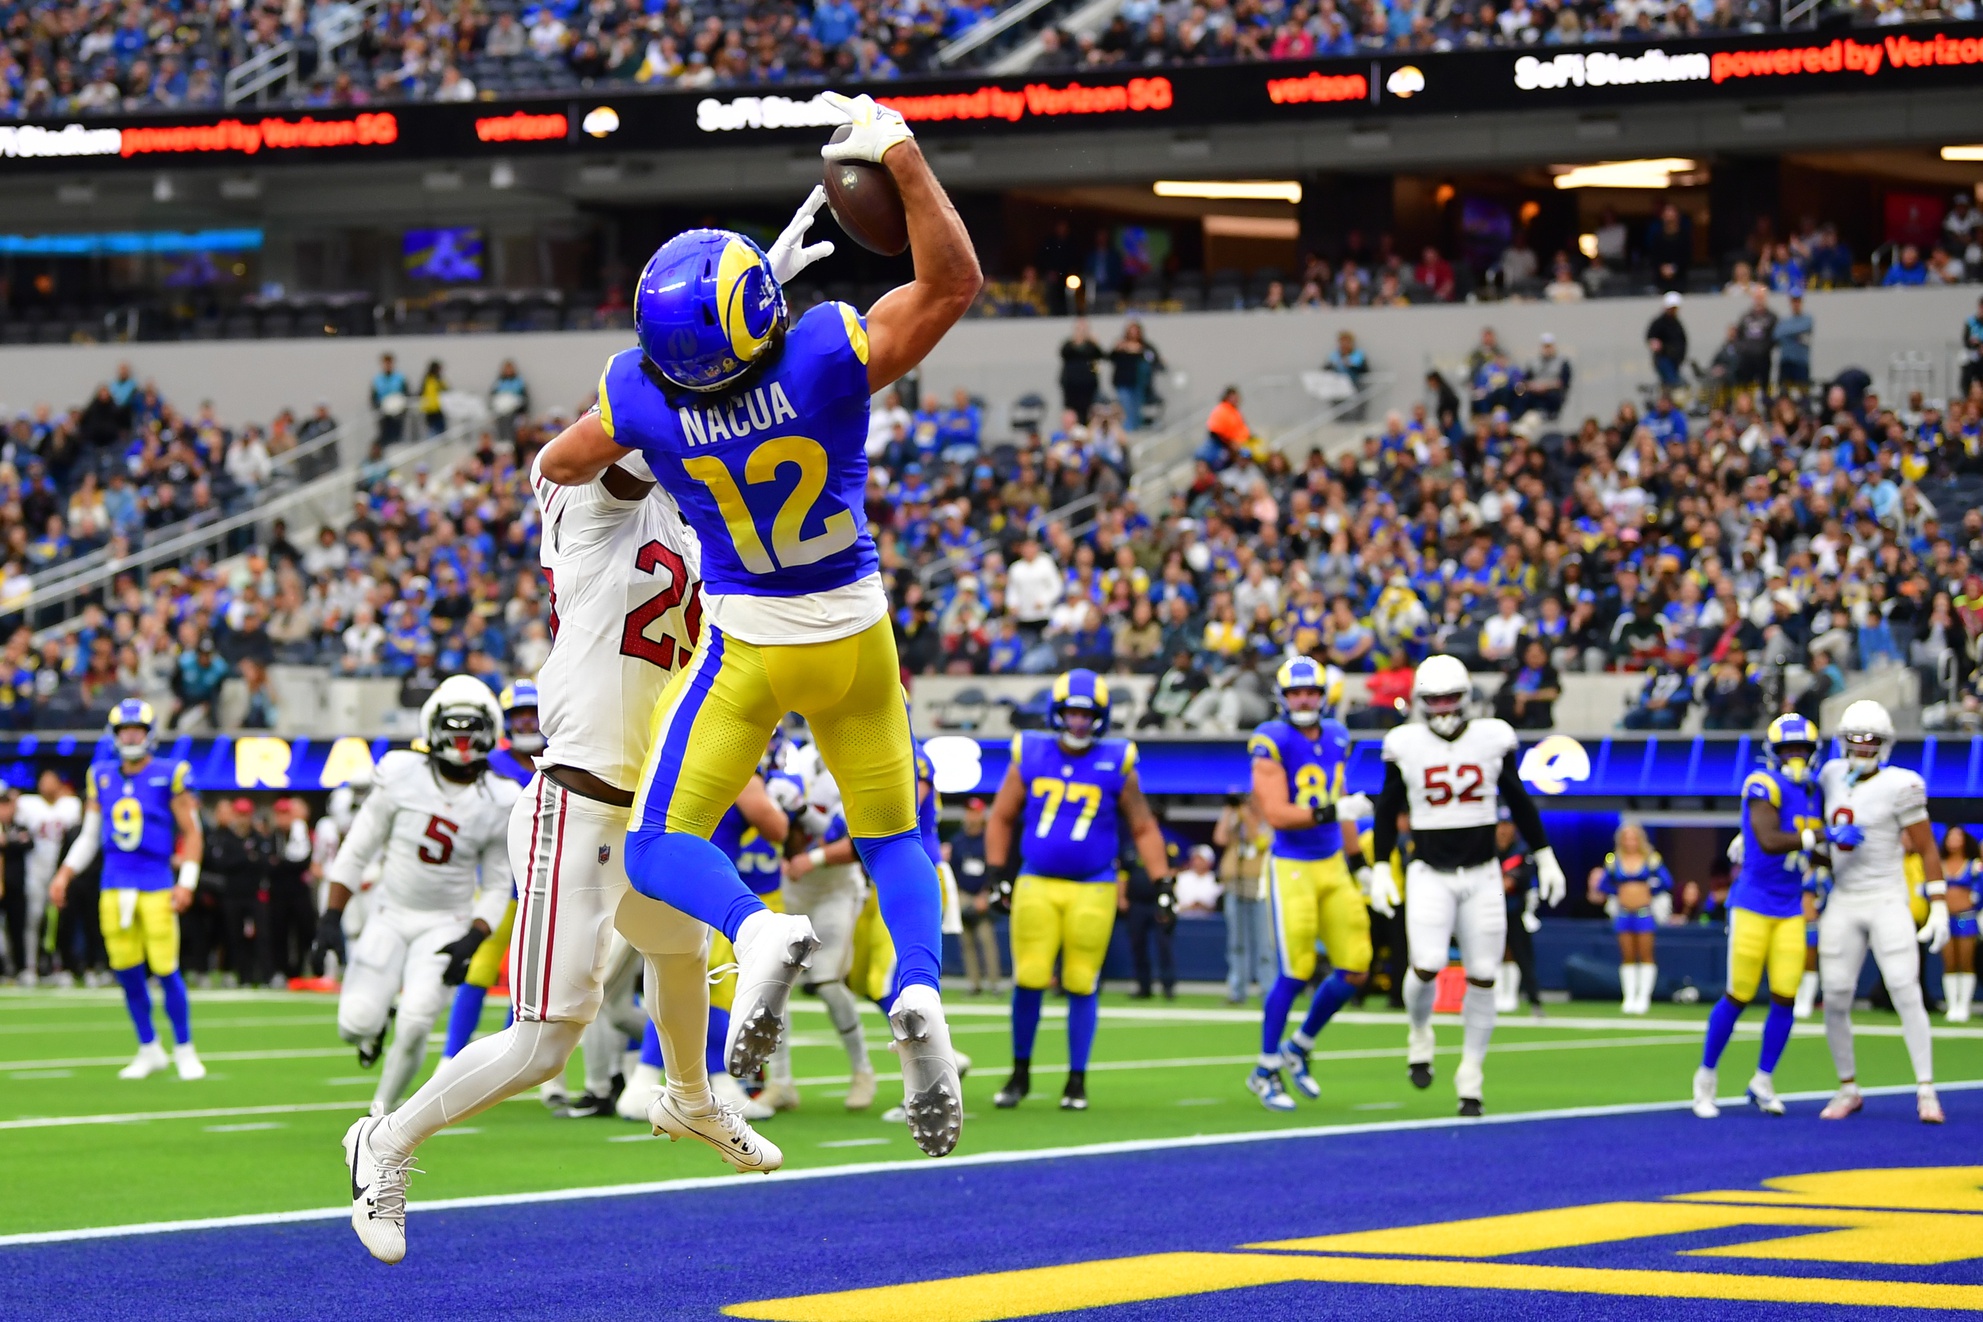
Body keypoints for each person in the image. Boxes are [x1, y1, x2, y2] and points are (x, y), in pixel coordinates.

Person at [532, 95, 971, 1162]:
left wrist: (670, 418)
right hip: (855, 629)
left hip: (748, 643)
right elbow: (950, 282)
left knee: (661, 843)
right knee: (893, 838)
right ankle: (917, 987)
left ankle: (755, 926)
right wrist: (901, 156)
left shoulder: (642, 394)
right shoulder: (822, 351)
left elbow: (565, 460)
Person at [340, 424, 775, 1266]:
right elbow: (625, 447)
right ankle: (384, 1142)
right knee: (546, 1040)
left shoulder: (695, 529)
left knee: (678, 953)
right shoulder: (593, 509)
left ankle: (689, 1096)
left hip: (655, 805)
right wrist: (714, 380)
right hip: (575, 800)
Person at [320, 678, 519, 1131]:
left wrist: (474, 936)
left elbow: (496, 882)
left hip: (446, 922)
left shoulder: (499, 797)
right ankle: (375, 1025)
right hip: (389, 913)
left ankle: (381, 1117)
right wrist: (331, 915)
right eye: (455, 731)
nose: (464, 743)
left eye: (473, 732)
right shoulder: (400, 773)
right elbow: (357, 849)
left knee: (416, 1022)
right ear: (434, 728)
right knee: (354, 1024)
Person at [1372, 654, 1567, 1115]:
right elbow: (1387, 807)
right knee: (1427, 962)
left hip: (1483, 873)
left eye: (1449, 698)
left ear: (1466, 698)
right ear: (1420, 702)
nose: (1441, 708)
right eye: (1433, 700)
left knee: (1484, 973)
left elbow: (1518, 800)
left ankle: (1471, 1072)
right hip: (1429, 873)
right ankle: (1420, 1031)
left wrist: (1545, 854)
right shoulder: (1405, 743)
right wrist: (1379, 864)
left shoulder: (1492, 737)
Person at [985, 670, 1172, 1111]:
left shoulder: (1118, 761)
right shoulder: (1029, 752)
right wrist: (997, 873)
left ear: (1101, 717)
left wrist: (1163, 880)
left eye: (1087, 714)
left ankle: (1076, 1079)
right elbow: (1001, 817)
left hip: (1094, 884)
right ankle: (1020, 1073)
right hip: (1037, 879)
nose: (1079, 722)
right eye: (1072, 712)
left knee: (1081, 981)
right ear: (1057, 712)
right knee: (1029, 976)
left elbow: (1143, 825)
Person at [1814, 700, 1964, 1124]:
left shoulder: (1902, 783)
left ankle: (1926, 1088)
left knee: (1904, 987)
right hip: (1843, 896)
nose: (1862, 747)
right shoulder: (1828, 776)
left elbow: (1927, 845)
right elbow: (1798, 815)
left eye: (1870, 740)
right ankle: (1848, 1087)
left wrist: (1937, 903)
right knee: (1838, 994)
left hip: (1886, 895)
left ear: (1885, 743)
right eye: (1855, 739)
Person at [1244, 657, 1382, 1111]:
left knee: (1357, 966)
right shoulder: (1271, 739)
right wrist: (1332, 813)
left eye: (1311, 692)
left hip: (1332, 863)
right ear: (1282, 697)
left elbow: (1340, 799)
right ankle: (1265, 1069)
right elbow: (1277, 814)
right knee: (1295, 969)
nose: (1304, 700)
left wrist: (1360, 862)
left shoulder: (1339, 736)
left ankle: (1299, 1045)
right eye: (1296, 692)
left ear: (1324, 695)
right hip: (1293, 865)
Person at [47, 699, 206, 1080]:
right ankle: (148, 1046)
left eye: (136, 729)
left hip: (156, 883)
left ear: (149, 733)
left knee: (167, 970)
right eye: (124, 730)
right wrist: (64, 873)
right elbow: (89, 835)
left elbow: (193, 832)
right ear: (115, 735)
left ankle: (184, 1047)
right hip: (114, 884)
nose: (130, 736)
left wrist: (187, 883)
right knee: (127, 972)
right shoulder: (100, 774)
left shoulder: (172, 772)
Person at [1693, 715, 1822, 1119]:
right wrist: (1819, 837)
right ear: (1774, 753)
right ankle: (1706, 1077)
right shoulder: (1761, 783)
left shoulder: (1815, 792)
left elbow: (1812, 849)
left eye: (1802, 750)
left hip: (1790, 905)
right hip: (1753, 901)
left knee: (1786, 993)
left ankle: (1763, 1079)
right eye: (1788, 750)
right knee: (1739, 993)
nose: (1796, 757)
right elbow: (1767, 840)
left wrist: (1835, 850)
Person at [439, 679, 541, 1062]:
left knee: (532, 978)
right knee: (480, 968)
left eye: (533, 716)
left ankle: (504, 1058)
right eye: (520, 717)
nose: (528, 725)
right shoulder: (488, 765)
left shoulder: (561, 759)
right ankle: (450, 1056)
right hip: (502, 885)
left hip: (549, 884)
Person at [777, 756, 879, 1109]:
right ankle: (780, 1081)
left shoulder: (856, 771)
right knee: (774, 985)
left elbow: (853, 842)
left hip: (836, 889)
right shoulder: (797, 766)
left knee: (828, 983)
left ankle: (862, 1071)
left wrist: (800, 811)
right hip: (789, 889)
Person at [1586, 821, 1673, 1016]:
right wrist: (1620, 890)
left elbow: (1667, 881)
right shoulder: (1614, 860)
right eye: (1626, 838)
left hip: (1644, 912)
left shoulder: (1651, 859)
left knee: (1646, 953)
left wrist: (1648, 889)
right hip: (1624, 912)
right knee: (1627, 955)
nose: (1630, 842)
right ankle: (1629, 996)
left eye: (1633, 838)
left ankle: (1643, 996)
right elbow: (1602, 884)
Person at [15, 768, 81, 984]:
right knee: (33, 920)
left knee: (59, 922)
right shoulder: (28, 804)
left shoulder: (69, 805)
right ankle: (31, 966)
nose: (47, 785)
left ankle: (57, 966)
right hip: (35, 870)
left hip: (61, 871)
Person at [1215, 796, 1272, 1003]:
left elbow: (1260, 841)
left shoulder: (1270, 822)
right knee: (1236, 943)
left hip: (1259, 888)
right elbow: (1220, 838)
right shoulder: (1236, 821)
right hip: (1235, 886)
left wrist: (1248, 817)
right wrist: (1228, 811)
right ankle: (1237, 991)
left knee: (1265, 944)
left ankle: (1267, 991)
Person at [950, 795, 1000, 995]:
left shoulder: (989, 839)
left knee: (986, 938)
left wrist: (985, 895)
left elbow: (994, 869)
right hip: (963, 894)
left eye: (976, 812)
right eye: (969, 812)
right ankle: (974, 984)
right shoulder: (957, 841)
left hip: (983, 894)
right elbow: (952, 870)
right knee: (966, 942)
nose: (972, 817)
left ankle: (994, 983)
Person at [1940, 826, 1980, 1023]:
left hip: (1967, 917)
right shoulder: (1940, 864)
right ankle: (1952, 1005)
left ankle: (1964, 1005)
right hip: (1946, 918)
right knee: (1949, 963)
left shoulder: (1974, 866)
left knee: (1965, 962)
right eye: (1951, 837)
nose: (1954, 840)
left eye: (1958, 837)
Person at [1059, 318, 1104, 422]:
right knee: (1071, 410)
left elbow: (1098, 359)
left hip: (1088, 384)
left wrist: (1095, 343)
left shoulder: (1091, 346)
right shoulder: (1069, 344)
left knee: (1088, 410)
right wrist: (1076, 341)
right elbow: (1063, 353)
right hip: (1071, 383)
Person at [1646, 292, 1688, 390]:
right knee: (1673, 383)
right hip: (1664, 358)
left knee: (1671, 384)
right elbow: (1651, 337)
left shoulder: (1676, 323)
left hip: (1675, 360)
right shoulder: (1659, 322)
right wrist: (1655, 343)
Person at [371, 353, 409, 447]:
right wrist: (377, 407)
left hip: (397, 413)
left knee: (397, 436)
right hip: (384, 413)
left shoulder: (400, 378)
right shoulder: (377, 379)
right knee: (384, 436)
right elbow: (373, 397)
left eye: (389, 363)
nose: (388, 365)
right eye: (386, 363)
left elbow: (406, 393)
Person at [417, 360, 448, 438]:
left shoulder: (438, 380)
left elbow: (447, 389)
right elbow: (421, 392)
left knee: (440, 429)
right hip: (430, 409)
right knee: (432, 429)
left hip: (439, 408)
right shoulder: (428, 380)